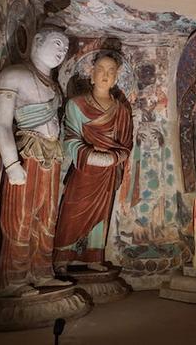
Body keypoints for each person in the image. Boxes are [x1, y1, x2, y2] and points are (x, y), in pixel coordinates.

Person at [0, 28, 72, 297]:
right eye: (57, 44)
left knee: (48, 215)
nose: (62, 51)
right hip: (28, 152)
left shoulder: (54, 85)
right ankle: (13, 281)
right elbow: (2, 124)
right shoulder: (14, 75)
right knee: (21, 216)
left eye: (65, 48)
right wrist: (11, 165)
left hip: (52, 153)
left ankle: (42, 273)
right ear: (37, 41)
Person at [54, 55, 133, 273]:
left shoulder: (122, 111)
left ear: (116, 77)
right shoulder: (76, 104)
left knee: (101, 214)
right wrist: (92, 157)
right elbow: (70, 138)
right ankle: (62, 256)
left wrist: (112, 158)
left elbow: (126, 145)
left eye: (111, 70)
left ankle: (93, 256)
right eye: (101, 69)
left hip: (107, 172)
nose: (105, 74)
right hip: (84, 169)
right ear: (91, 74)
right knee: (72, 210)